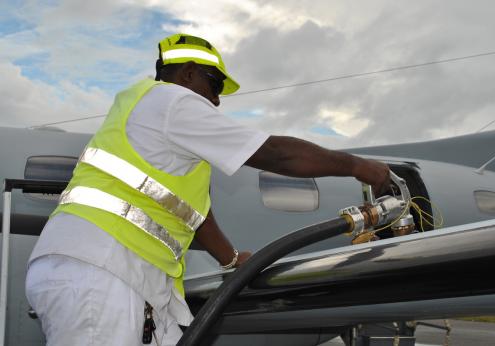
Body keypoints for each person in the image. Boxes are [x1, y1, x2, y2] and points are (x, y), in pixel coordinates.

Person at [25, 33, 390, 345]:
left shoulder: (149, 121)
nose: (216, 101)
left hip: (106, 271)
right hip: (104, 270)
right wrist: (357, 166)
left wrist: (232, 260)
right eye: (214, 87)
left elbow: (192, 215)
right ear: (187, 74)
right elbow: (275, 154)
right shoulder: (171, 101)